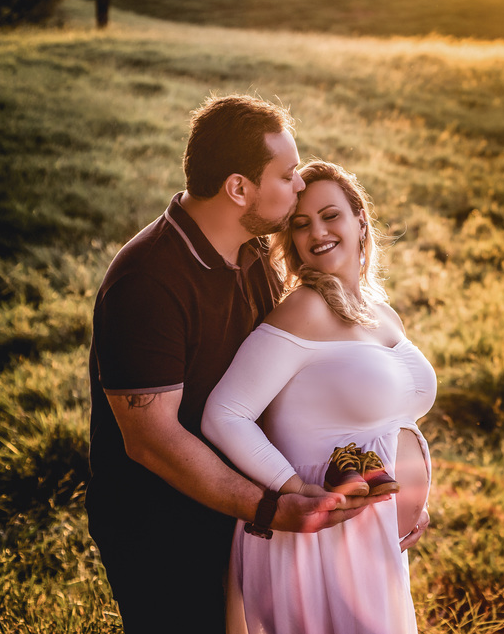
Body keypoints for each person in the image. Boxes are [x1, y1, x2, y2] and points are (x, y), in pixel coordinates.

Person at [86, 95, 385, 634]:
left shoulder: (250, 256)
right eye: (288, 174)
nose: (299, 187)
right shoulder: (148, 281)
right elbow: (151, 439)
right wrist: (270, 507)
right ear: (239, 188)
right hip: (161, 524)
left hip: (236, 507)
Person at [203, 160, 436, 634]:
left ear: (360, 221)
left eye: (331, 216)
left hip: (372, 535)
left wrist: (411, 502)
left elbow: (388, 421)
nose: (318, 232)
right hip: (315, 538)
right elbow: (224, 415)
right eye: (301, 224)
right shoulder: (302, 310)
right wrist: (292, 488)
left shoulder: (382, 313)